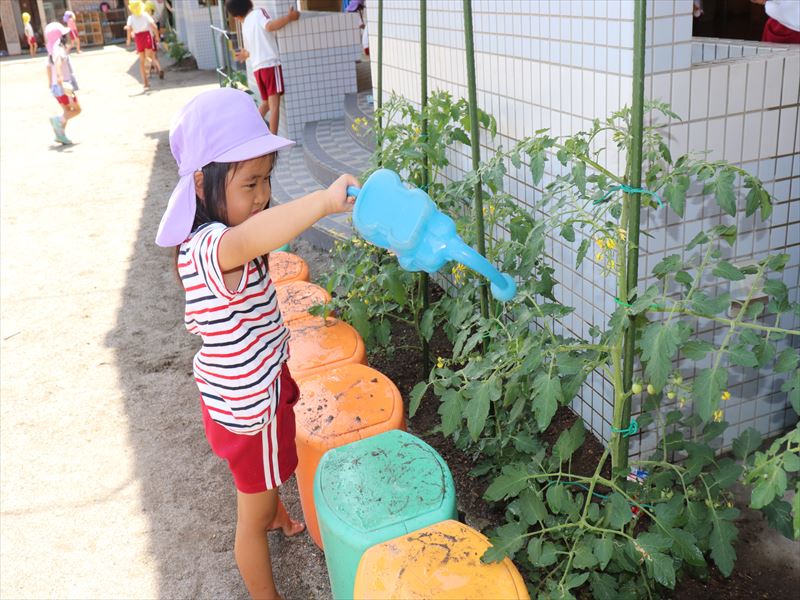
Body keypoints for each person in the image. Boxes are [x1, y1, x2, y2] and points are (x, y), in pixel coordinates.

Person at [154, 87, 359, 599]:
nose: (263, 195)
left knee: (268, 474)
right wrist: (323, 201)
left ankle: (274, 512)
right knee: (249, 515)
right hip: (249, 408)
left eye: (267, 178)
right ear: (201, 183)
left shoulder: (227, 227)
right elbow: (253, 238)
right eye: (250, 183)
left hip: (258, 382)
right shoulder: (210, 245)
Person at [225, 0, 300, 134]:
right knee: (274, 106)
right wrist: (289, 18)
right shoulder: (259, 13)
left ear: (237, 16)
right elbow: (269, 26)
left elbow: (249, 51)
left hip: (258, 70)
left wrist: (244, 55)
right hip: (270, 65)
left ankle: (249, 131)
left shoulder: (245, 25)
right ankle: (273, 140)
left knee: (266, 103)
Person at [45, 22, 81, 145]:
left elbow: (48, 67)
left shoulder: (51, 50)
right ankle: (57, 120)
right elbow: (58, 62)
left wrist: (51, 82)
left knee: (67, 111)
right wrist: (60, 77)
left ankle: (60, 135)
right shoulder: (59, 49)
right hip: (64, 85)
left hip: (56, 87)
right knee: (77, 109)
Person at [125, 0, 163, 89]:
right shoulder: (145, 15)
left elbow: (129, 28)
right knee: (148, 58)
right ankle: (148, 70)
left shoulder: (130, 18)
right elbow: (154, 26)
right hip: (147, 36)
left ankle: (146, 82)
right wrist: (157, 37)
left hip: (138, 38)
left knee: (142, 61)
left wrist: (128, 40)